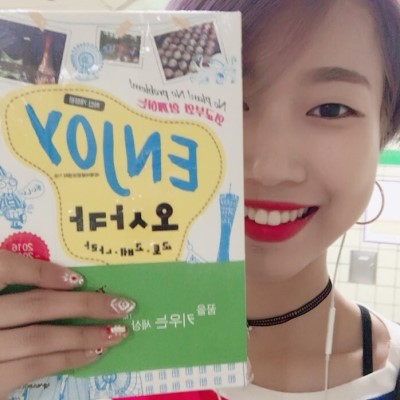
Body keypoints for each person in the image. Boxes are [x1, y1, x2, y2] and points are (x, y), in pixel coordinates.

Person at [1, 0, 400, 399]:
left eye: (330, 109)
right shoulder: (64, 365)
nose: (270, 169)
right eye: (228, 99)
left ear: (384, 130)